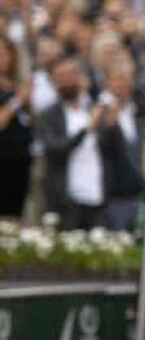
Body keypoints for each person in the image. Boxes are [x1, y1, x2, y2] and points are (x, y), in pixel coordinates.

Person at [37, 56, 107, 231]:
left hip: (98, 196)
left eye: (71, 74)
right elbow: (56, 149)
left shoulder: (94, 109)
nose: (67, 80)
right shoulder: (48, 115)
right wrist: (86, 130)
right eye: (60, 76)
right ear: (53, 82)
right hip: (66, 199)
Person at [97, 59, 145, 231]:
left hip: (138, 193)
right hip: (113, 196)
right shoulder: (99, 111)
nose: (124, 83)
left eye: (128, 78)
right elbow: (101, 145)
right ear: (107, 82)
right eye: (119, 78)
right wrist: (109, 127)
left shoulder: (137, 111)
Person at [0, 35, 33, 219]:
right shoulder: (19, 93)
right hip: (2, 157)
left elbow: (30, 120)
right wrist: (18, 100)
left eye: (5, 52)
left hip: (21, 157)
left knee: (16, 213)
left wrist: (28, 101)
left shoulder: (18, 85)